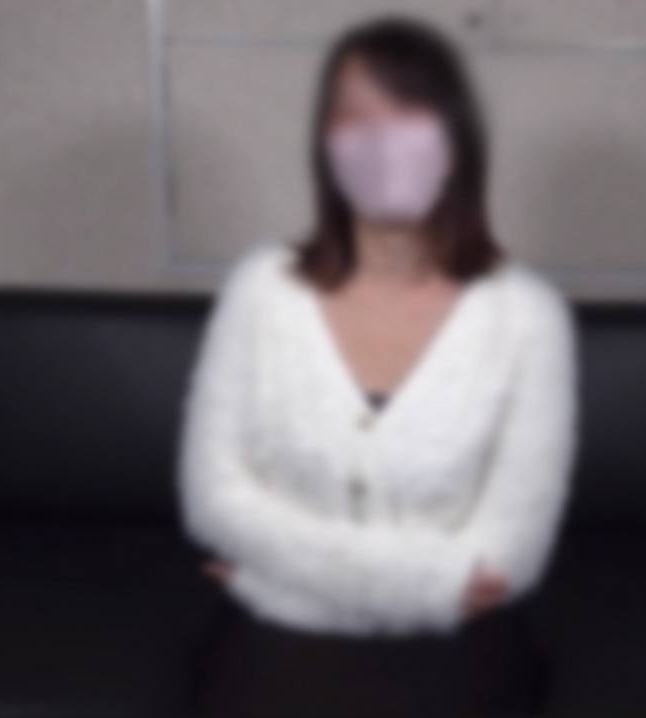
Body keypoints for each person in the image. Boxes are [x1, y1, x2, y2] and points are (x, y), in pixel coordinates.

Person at [176, 14, 581, 717]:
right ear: (325, 146)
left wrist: (275, 576)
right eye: (355, 118)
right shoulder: (259, 290)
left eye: (407, 113)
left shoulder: (529, 316)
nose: (382, 140)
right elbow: (211, 497)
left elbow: (508, 558)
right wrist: (429, 581)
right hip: (287, 635)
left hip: (447, 639)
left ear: (455, 141)